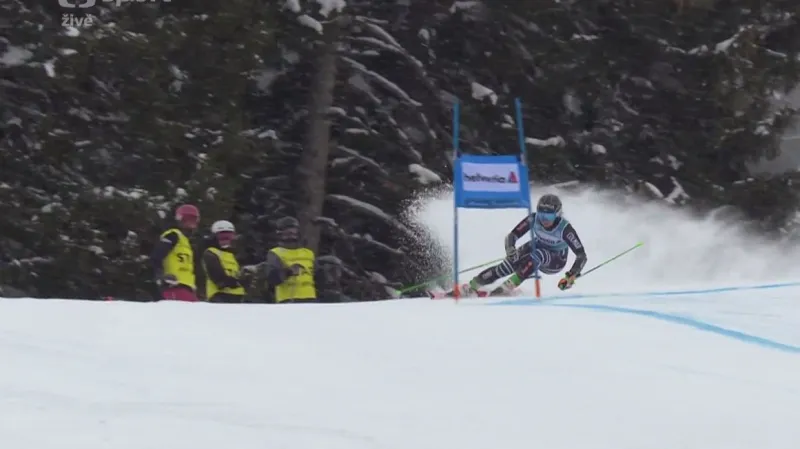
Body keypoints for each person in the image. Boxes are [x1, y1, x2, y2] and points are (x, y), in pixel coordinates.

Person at [445, 193, 587, 297]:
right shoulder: (533, 218)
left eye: (548, 216)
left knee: (537, 255)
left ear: (558, 214)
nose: (544, 220)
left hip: (556, 260)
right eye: (541, 215)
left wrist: (571, 275)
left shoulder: (565, 229)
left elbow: (581, 255)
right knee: (508, 264)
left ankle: (508, 286)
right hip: (537, 246)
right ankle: (472, 286)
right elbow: (512, 236)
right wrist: (510, 249)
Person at [260, 216, 317, 303]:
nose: (291, 233)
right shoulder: (276, 253)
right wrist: (288, 272)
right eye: (287, 231)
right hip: (288, 300)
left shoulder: (308, 253)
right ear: (280, 233)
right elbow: (272, 279)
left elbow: (316, 277)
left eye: (294, 230)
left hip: (310, 299)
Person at [150, 204, 200, 301]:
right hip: (173, 285)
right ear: (179, 219)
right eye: (187, 220)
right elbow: (156, 256)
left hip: (187, 286)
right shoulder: (173, 235)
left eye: (193, 221)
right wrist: (161, 275)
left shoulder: (186, 242)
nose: (190, 224)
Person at [202, 220, 247, 303]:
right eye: (222, 237)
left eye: (229, 237)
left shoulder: (233, 255)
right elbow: (215, 273)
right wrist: (229, 282)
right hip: (219, 295)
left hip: (237, 295)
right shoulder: (211, 252)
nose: (226, 241)